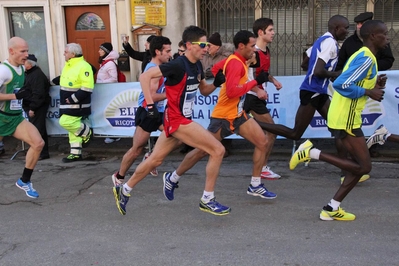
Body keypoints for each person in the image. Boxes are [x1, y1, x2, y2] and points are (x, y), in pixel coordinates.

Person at [112, 25, 228, 216]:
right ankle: (207, 199)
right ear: (190, 45)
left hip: (178, 120)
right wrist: (149, 105)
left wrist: (216, 83)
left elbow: (203, 90)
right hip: (177, 120)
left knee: (155, 160)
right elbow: (145, 76)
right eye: (203, 44)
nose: (206, 48)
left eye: (207, 45)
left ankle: (124, 190)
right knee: (218, 149)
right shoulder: (177, 64)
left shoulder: (198, 65)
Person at [162, 30, 277, 208]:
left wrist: (222, 78)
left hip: (238, 115)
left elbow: (216, 69)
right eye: (252, 46)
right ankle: (173, 177)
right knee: (203, 151)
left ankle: (255, 184)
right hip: (223, 116)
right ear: (241, 46)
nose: (255, 49)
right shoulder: (235, 64)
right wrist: (254, 83)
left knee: (262, 142)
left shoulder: (236, 60)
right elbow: (231, 92)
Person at [289, 20, 388, 221]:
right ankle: (311, 152)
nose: (387, 37)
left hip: (345, 115)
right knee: (364, 167)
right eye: (384, 34)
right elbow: (342, 83)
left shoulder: (364, 55)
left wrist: (374, 83)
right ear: (373, 36)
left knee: (359, 167)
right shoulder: (366, 58)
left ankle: (331, 208)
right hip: (346, 118)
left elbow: (353, 80)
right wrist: (369, 91)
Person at [111, 36, 172, 186]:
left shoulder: (158, 68)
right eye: (168, 51)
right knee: (136, 149)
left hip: (156, 111)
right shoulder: (153, 70)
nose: (170, 54)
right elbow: (151, 96)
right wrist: (171, 94)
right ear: (158, 52)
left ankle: (150, 156)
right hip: (147, 111)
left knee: (174, 134)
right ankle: (119, 175)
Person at [0, 37, 44, 198]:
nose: (26, 55)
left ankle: (24, 181)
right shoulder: (4, 70)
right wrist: (14, 96)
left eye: (27, 50)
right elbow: (14, 95)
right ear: (11, 51)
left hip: (15, 118)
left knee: (38, 143)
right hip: (1, 118)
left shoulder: (21, 69)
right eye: (22, 51)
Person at [244, 18, 283, 179]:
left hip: (255, 96)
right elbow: (244, 75)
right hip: (250, 96)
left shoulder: (266, 51)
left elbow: (263, 73)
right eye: (270, 30)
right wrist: (257, 90)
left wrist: (273, 81)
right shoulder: (254, 52)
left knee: (220, 131)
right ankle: (262, 169)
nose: (274, 33)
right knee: (271, 131)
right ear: (261, 32)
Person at [59, 43, 94, 163]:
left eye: (65, 52)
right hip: (68, 103)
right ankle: (75, 153)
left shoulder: (84, 66)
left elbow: (87, 87)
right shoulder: (68, 65)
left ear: (73, 54)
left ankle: (86, 132)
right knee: (72, 129)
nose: (64, 54)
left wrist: (73, 99)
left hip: (77, 104)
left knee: (65, 122)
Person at [21, 54, 51, 160]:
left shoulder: (36, 75)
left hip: (37, 107)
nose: (22, 63)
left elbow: (38, 94)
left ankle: (41, 152)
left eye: (24, 61)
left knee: (38, 129)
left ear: (29, 64)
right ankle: (39, 151)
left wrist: (33, 108)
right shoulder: (31, 74)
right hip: (33, 105)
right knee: (36, 129)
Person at [96, 42, 121, 144]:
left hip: (109, 92)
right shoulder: (104, 62)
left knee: (111, 114)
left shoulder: (109, 63)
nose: (99, 51)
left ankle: (114, 135)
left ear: (106, 52)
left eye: (101, 50)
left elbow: (113, 79)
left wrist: (101, 83)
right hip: (105, 92)